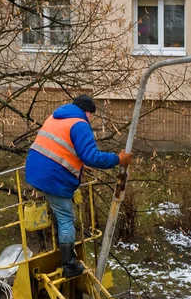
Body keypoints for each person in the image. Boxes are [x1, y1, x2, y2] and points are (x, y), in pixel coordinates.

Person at [25, 95, 132, 277]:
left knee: (59, 213)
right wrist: (118, 159)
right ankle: (69, 265)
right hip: (52, 177)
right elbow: (90, 156)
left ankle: (60, 249)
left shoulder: (56, 117)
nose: (91, 119)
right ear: (87, 112)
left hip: (36, 171)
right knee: (67, 218)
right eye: (92, 115)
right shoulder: (80, 124)